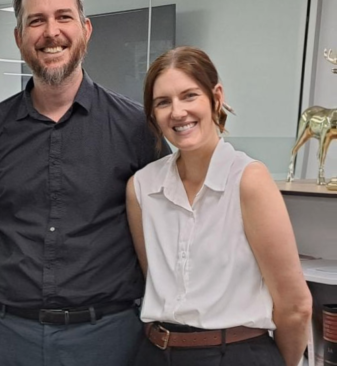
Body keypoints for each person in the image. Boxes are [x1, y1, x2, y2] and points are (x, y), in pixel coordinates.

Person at [0, 0, 169, 366]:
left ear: (85, 30)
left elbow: (166, 225)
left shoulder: (136, 127)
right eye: (36, 21)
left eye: (63, 17)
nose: (51, 32)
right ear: (19, 37)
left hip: (108, 338)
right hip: (6, 336)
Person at [127, 46, 312, 366]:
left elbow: (295, 307)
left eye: (189, 95)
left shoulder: (248, 180)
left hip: (236, 353)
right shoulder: (142, 187)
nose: (177, 112)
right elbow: (152, 278)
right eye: (163, 102)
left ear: (216, 97)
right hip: (155, 352)